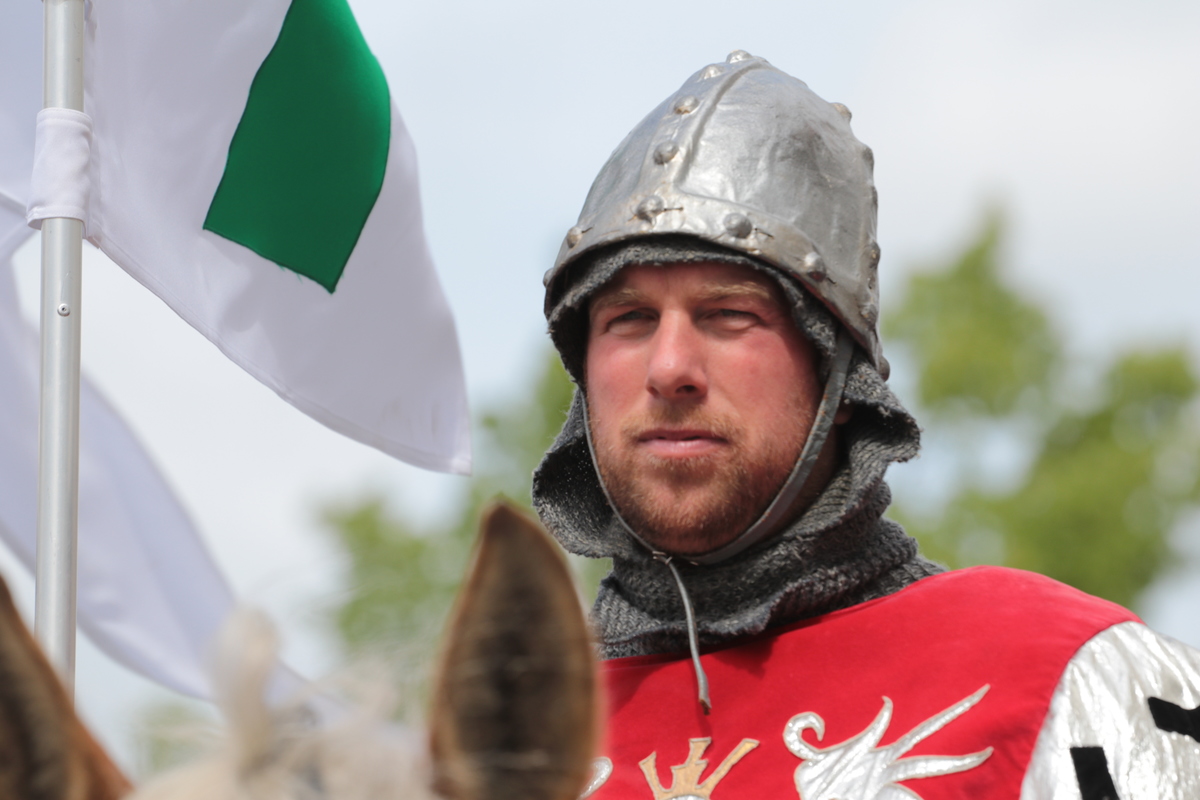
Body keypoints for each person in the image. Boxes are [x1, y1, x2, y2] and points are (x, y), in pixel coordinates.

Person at [531, 52, 1200, 799]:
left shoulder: (1060, 679)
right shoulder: (508, 745)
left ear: (838, 378)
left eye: (728, 315)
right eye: (629, 319)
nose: (669, 367)